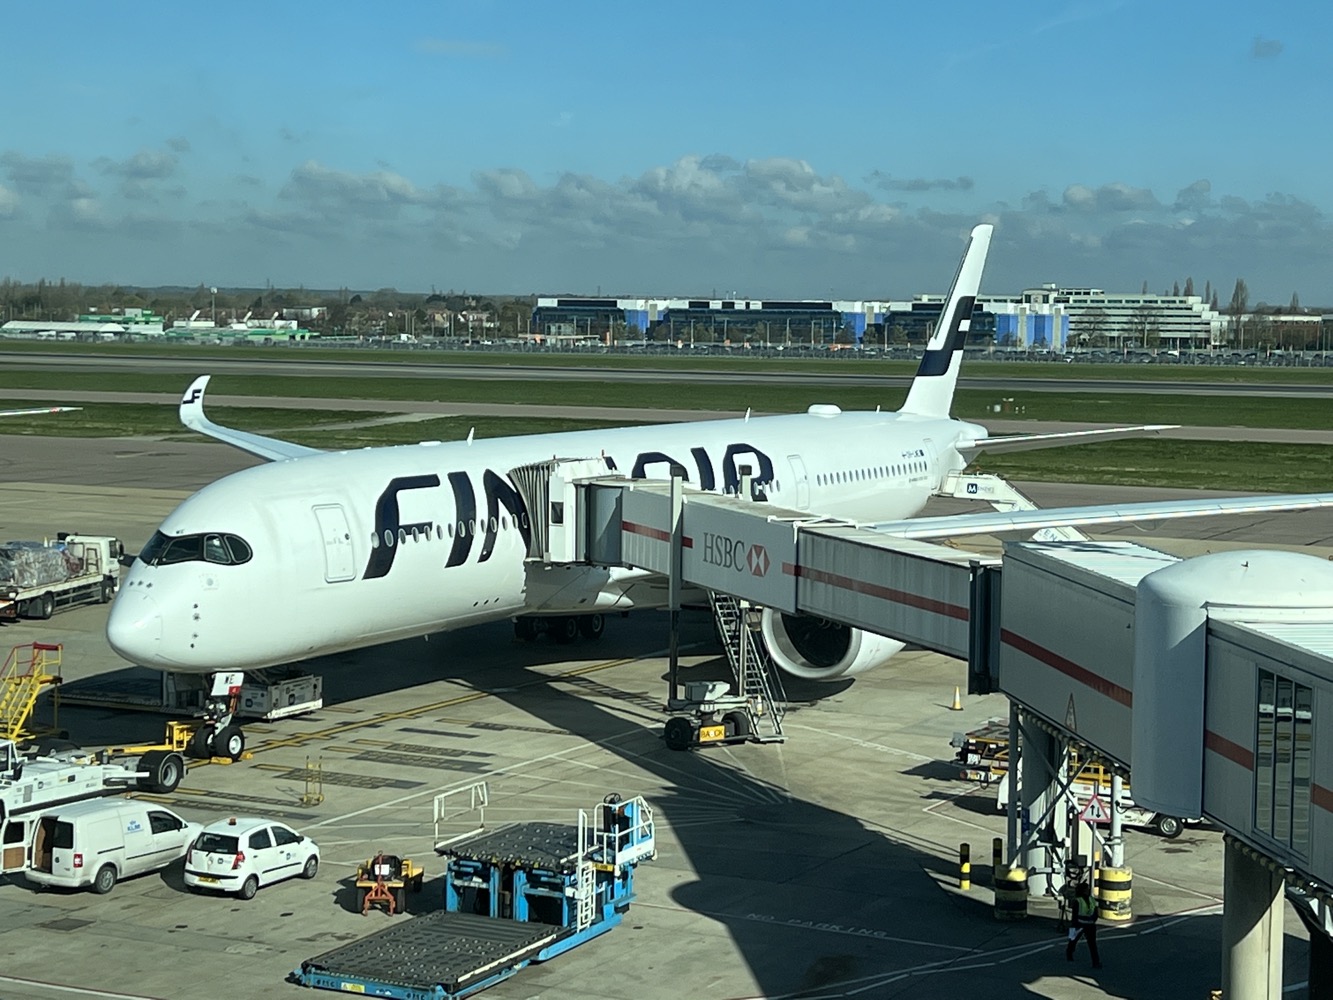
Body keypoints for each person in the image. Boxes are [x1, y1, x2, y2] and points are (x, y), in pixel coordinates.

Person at [1066, 880, 1102, 969]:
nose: (1088, 890)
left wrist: (1093, 920)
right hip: (1079, 924)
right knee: (1073, 940)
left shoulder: (1091, 899)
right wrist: (1074, 926)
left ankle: (1096, 962)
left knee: (1092, 944)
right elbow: (1075, 915)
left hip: (1089, 925)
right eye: (1087, 889)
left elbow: (1095, 912)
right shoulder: (1078, 901)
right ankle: (1069, 953)